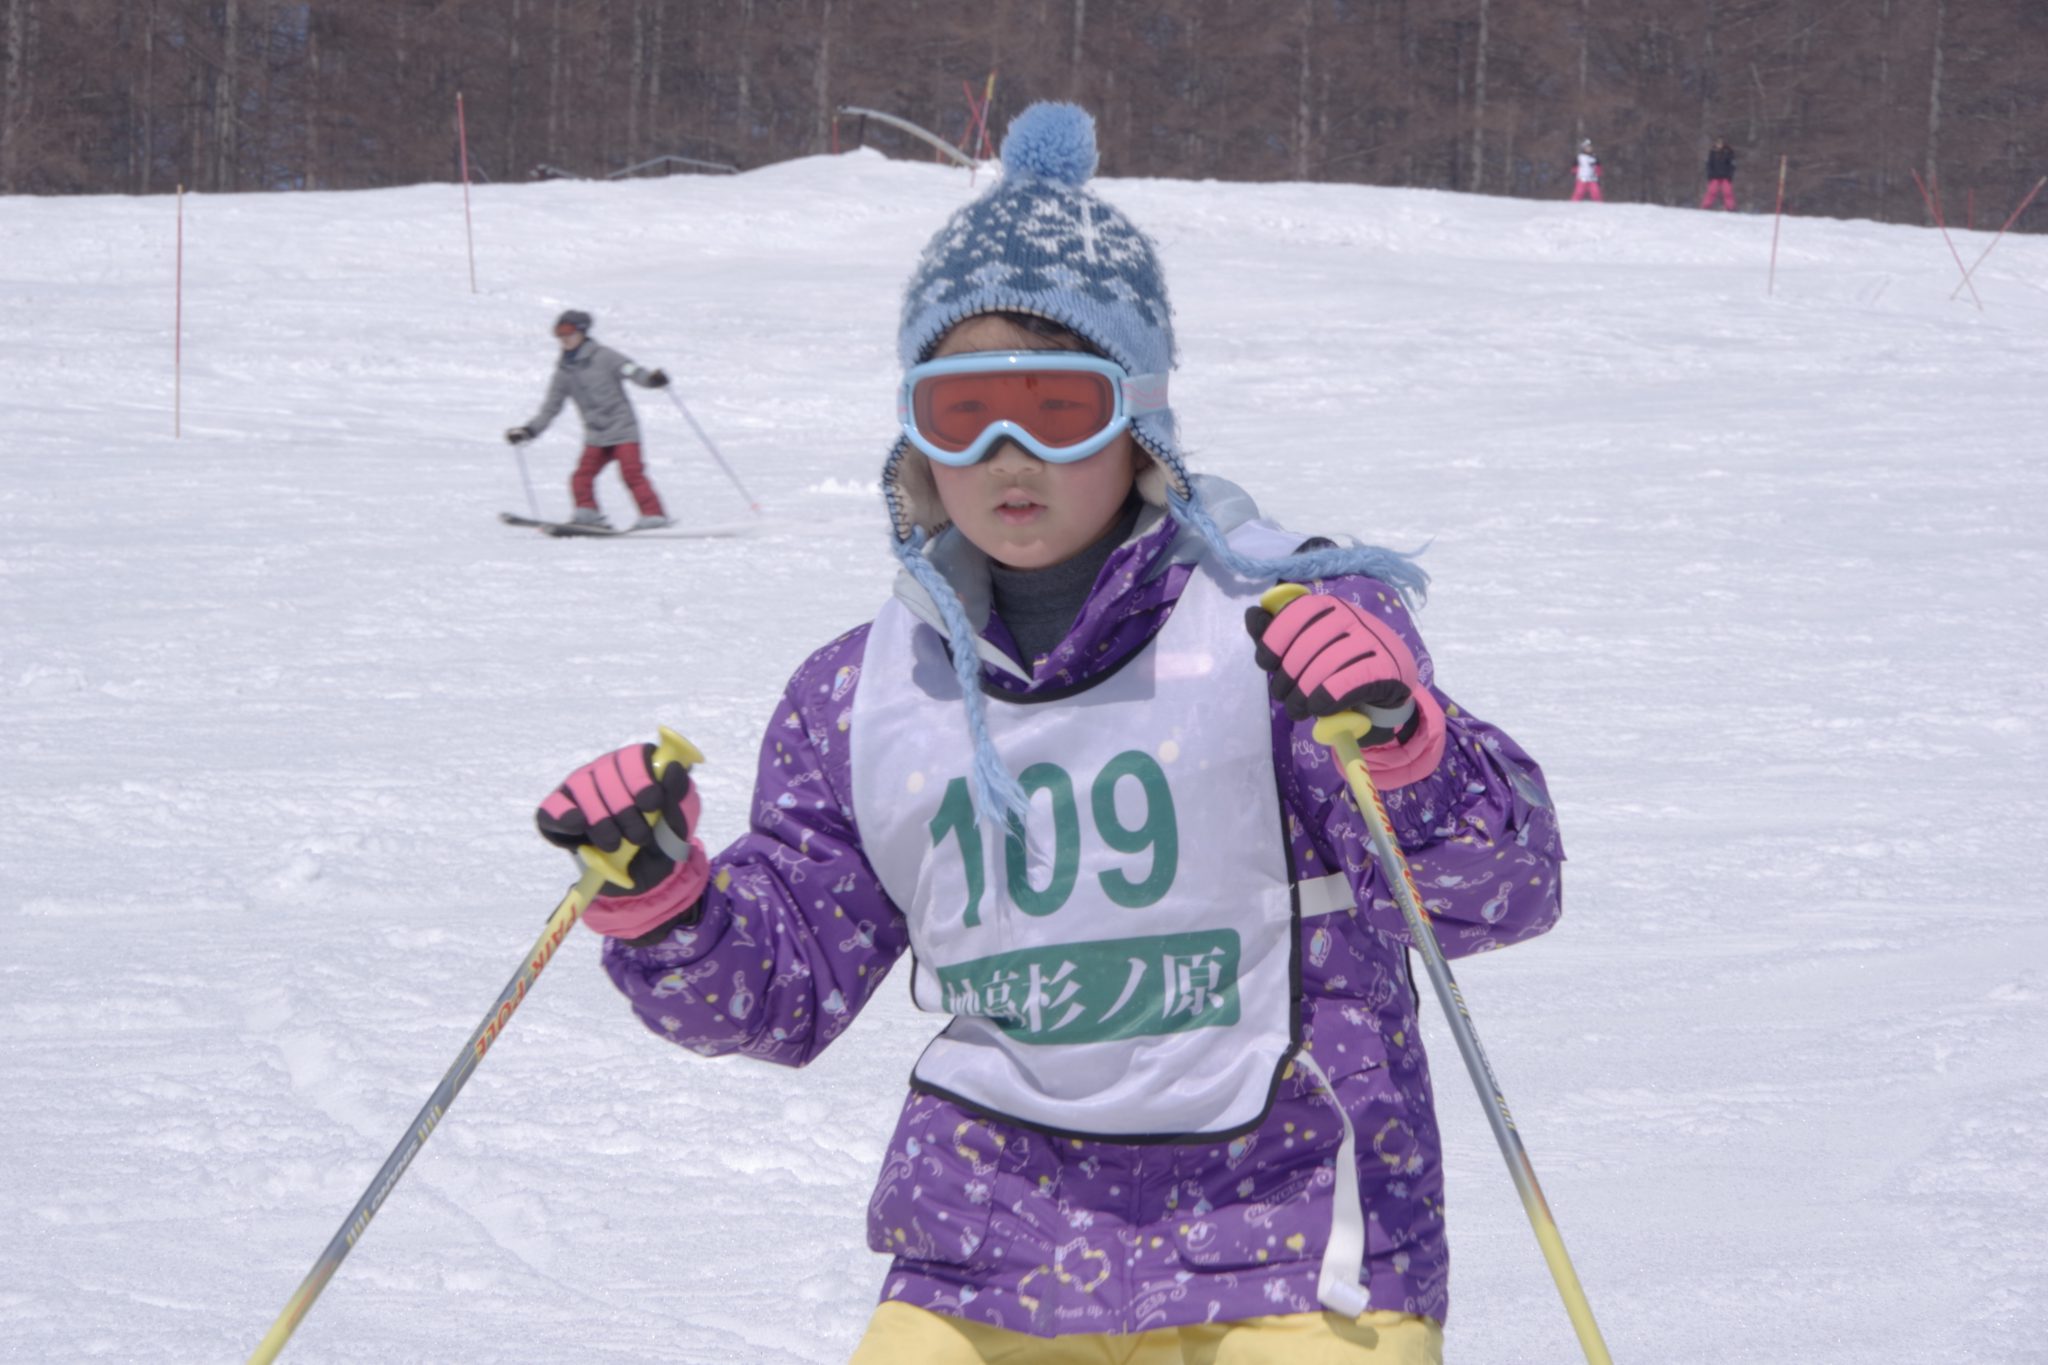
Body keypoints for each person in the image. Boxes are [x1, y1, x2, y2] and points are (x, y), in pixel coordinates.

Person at [534, 103, 1564, 1363]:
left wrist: (1404, 749)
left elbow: (1494, 896)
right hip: (996, 1245)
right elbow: (782, 990)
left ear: (1139, 421)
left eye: (1056, 410)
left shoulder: (1279, 623)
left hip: (1292, 1230)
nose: (1006, 455)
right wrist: (664, 903)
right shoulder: (864, 690)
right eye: (960, 413)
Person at [504, 310, 672, 530]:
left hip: (623, 430)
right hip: (596, 436)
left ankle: (653, 515)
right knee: (581, 477)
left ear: (582, 332)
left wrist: (651, 380)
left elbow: (632, 370)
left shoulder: (606, 356)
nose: (564, 338)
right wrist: (529, 431)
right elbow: (550, 408)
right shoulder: (564, 372)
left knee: (632, 473)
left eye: (569, 332)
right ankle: (588, 514)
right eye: (559, 333)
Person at [1701, 137, 1737, 210]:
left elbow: (1732, 165)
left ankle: (1730, 207)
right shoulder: (1712, 152)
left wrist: (1729, 175)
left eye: (1720, 143)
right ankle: (1706, 206)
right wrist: (1710, 174)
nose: (1719, 144)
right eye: (1717, 143)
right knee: (1711, 192)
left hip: (1725, 177)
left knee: (1727, 192)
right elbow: (1709, 164)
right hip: (1714, 176)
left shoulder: (1729, 152)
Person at [1571, 138, 1603, 202]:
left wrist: (1598, 172)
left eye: (1590, 147)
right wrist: (1575, 172)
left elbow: (1598, 167)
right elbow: (1574, 167)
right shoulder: (1579, 157)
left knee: (1595, 192)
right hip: (1581, 178)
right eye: (1587, 147)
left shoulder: (1594, 157)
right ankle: (1574, 203)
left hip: (1592, 178)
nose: (1589, 149)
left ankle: (1598, 204)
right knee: (1579, 192)